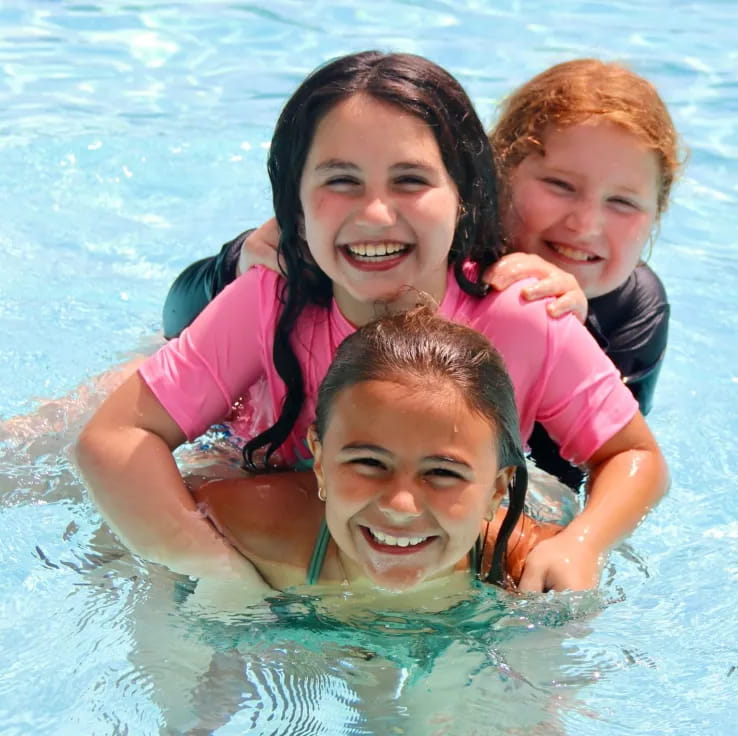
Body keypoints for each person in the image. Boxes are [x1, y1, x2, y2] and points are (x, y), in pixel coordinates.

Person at [75, 50, 669, 594]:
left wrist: (583, 542)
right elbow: (112, 438)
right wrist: (218, 572)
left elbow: (633, 455)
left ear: (464, 195)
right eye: (341, 181)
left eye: (411, 181)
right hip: (257, 479)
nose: (377, 214)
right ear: (296, 204)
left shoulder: (523, 317)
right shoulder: (270, 300)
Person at [162, 58, 683, 488]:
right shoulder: (379, 244)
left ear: (656, 215)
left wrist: (572, 331)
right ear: (492, 177)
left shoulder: (624, 308)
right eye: (559, 186)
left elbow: (591, 466)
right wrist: (239, 259)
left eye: (623, 202)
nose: (585, 224)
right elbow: (183, 317)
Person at [188, 307, 562, 598]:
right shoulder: (246, 529)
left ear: (497, 489)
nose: (400, 505)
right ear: (320, 461)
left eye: (442, 472)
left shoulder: (522, 561)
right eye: (369, 463)